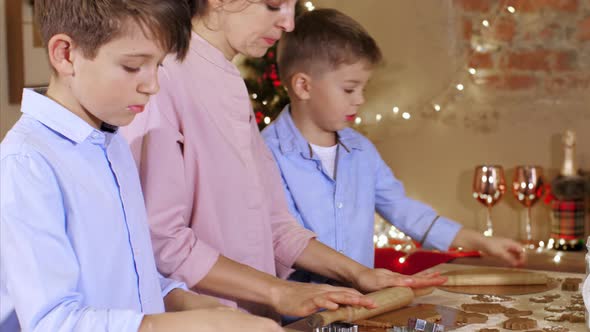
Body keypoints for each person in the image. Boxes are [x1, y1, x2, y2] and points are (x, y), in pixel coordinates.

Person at [122, 0, 446, 320]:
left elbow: (275, 226)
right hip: (209, 322)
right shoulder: (163, 81)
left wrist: (360, 274)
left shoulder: (228, 79)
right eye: (274, 5)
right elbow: (164, 242)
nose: (288, 23)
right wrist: (279, 291)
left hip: (257, 320)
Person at [0, 1, 283, 331]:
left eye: (158, 66)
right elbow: (53, 321)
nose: (153, 86)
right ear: (65, 54)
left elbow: (133, 278)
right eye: (134, 67)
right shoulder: (27, 163)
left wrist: (194, 304)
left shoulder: (112, 142)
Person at [261, 8, 526, 285]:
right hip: (299, 318)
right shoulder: (266, 153)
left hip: (360, 310)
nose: (361, 99)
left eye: (364, 88)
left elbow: (403, 209)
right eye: (350, 89)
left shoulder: (361, 150)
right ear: (303, 86)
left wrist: (480, 242)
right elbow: (284, 238)